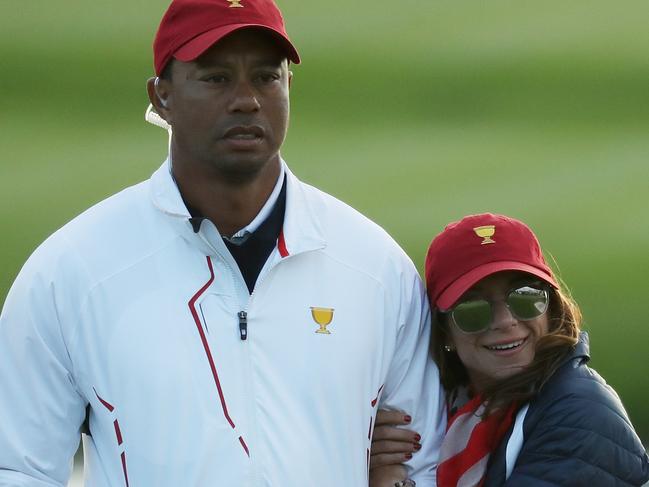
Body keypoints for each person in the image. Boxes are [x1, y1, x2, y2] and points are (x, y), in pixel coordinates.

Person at [0, 0, 448, 484]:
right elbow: (19, 465)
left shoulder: (375, 268)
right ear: (162, 96)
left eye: (265, 77)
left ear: (289, 87)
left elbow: (423, 462)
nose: (246, 99)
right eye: (215, 78)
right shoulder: (71, 272)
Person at [370, 213, 649, 486]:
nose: (505, 321)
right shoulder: (449, 408)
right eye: (473, 309)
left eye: (525, 297)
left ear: (551, 309)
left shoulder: (580, 414)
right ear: (445, 331)